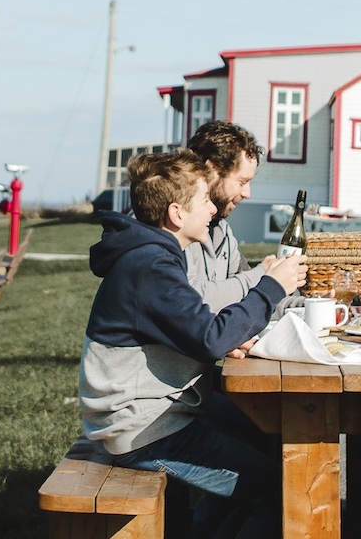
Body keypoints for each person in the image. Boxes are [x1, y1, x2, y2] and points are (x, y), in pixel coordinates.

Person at [81, 150, 307, 539]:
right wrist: (271, 287)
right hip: (142, 429)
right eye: (204, 201)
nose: (212, 210)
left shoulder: (153, 257)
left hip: (153, 413)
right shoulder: (151, 266)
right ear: (176, 214)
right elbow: (209, 338)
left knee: (263, 437)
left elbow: (193, 331)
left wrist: (224, 340)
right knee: (279, 491)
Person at [184, 121, 277, 308]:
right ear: (212, 170)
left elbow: (250, 297)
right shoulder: (172, 225)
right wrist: (264, 275)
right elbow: (191, 300)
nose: (247, 193)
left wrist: (308, 305)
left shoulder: (222, 232)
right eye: (242, 182)